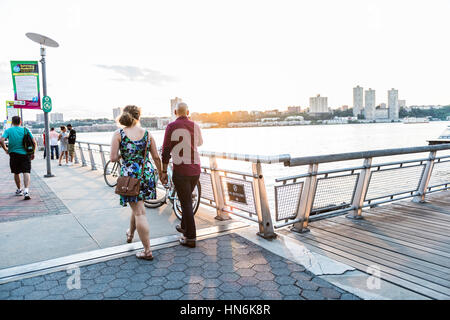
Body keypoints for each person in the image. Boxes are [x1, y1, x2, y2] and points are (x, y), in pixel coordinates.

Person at [110, 105, 163, 260]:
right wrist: (162, 173)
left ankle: (147, 251)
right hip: (146, 174)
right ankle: (131, 233)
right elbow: (156, 157)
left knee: (140, 212)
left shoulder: (119, 133)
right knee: (137, 205)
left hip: (130, 176)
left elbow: (113, 158)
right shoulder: (147, 134)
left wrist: (124, 156)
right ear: (139, 116)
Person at [161, 102, 203, 248]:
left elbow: (166, 149)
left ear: (175, 111)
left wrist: (164, 170)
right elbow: (200, 143)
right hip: (196, 169)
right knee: (186, 199)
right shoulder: (195, 126)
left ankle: (190, 238)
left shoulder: (171, 126)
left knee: (185, 203)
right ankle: (184, 226)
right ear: (188, 111)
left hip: (181, 170)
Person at [0, 116, 37, 200]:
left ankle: (19, 190)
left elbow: (1, 140)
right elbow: (34, 142)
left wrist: (6, 149)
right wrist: (33, 152)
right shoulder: (25, 130)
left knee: (16, 172)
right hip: (25, 154)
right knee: (26, 171)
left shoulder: (8, 130)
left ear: (12, 122)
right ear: (20, 121)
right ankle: (26, 191)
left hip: (13, 154)